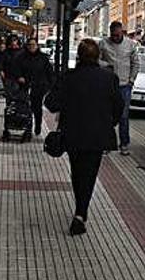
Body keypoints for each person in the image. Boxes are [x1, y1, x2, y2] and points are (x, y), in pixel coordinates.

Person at [45, 39, 123, 236]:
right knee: (90, 172)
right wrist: (108, 122)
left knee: (77, 170)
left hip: (73, 133)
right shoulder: (109, 78)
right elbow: (119, 106)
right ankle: (81, 212)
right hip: (97, 135)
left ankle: (80, 211)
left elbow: (51, 103)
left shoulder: (69, 78)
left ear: (79, 55)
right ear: (98, 56)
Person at [99, 21, 140, 155]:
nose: (115, 38)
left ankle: (124, 144)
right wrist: (106, 65)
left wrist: (131, 80)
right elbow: (97, 59)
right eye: (113, 35)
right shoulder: (103, 43)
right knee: (106, 115)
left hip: (124, 85)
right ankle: (106, 143)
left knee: (123, 116)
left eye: (117, 35)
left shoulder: (130, 44)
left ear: (122, 32)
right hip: (107, 85)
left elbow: (135, 63)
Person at [16, 38, 55, 135]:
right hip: (25, 86)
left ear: (37, 46)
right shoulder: (22, 57)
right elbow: (16, 69)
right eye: (30, 45)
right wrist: (19, 77)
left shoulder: (43, 58)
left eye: (33, 45)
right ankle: (27, 127)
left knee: (37, 107)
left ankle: (38, 126)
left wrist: (49, 86)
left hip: (39, 87)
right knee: (26, 107)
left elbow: (49, 72)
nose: (32, 47)